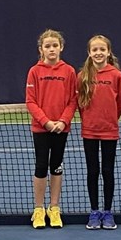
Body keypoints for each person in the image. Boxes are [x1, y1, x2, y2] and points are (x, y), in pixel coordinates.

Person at [25, 29, 77, 229]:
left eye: (55, 45)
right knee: (40, 167)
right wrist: (45, 122)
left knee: (56, 166)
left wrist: (63, 121)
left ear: (61, 47)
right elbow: (31, 101)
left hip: (61, 129)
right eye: (47, 46)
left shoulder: (69, 71)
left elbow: (73, 100)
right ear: (41, 49)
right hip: (41, 129)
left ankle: (54, 208)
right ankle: (39, 209)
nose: (52, 49)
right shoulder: (34, 71)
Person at [77, 35, 121, 230]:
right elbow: (80, 104)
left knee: (107, 171)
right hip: (89, 131)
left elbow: (120, 102)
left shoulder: (116, 75)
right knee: (92, 171)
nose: (98, 53)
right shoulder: (82, 76)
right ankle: (94, 211)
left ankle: (107, 212)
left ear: (108, 52)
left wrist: (110, 118)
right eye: (94, 50)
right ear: (89, 52)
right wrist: (89, 120)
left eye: (102, 49)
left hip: (109, 131)